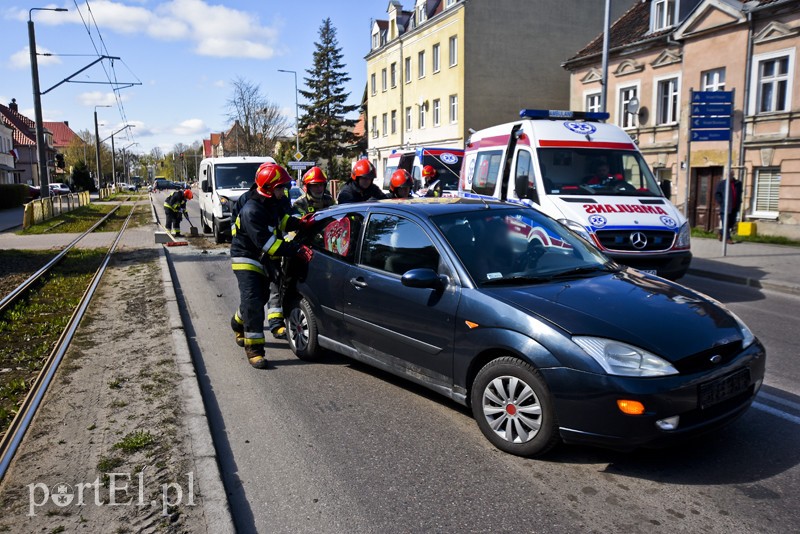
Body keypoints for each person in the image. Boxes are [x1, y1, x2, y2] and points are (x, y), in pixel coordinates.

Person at [229, 162, 313, 369]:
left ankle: (238, 322)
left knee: (261, 298)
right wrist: (296, 249)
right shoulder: (251, 210)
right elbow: (269, 244)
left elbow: (281, 220)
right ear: (268, 188)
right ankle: (255, 350)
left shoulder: (271, 203)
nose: (283, 190)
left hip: (263, 256)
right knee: (254, 300)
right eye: (280, 187)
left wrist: (299, 223)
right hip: (246, 257)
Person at [715, 174, 743, 244]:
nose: (730, 176)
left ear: (733, 175)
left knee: (731, 223)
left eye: (731, 175)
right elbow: (717, 194)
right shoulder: (722, 183)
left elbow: (739, 194)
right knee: (726, 223)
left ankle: (721, 232)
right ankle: (728, 238)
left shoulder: (738, 184)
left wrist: (739, 202)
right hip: (725, 208)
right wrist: (721, 202)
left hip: (734, 207)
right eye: (728, 175)